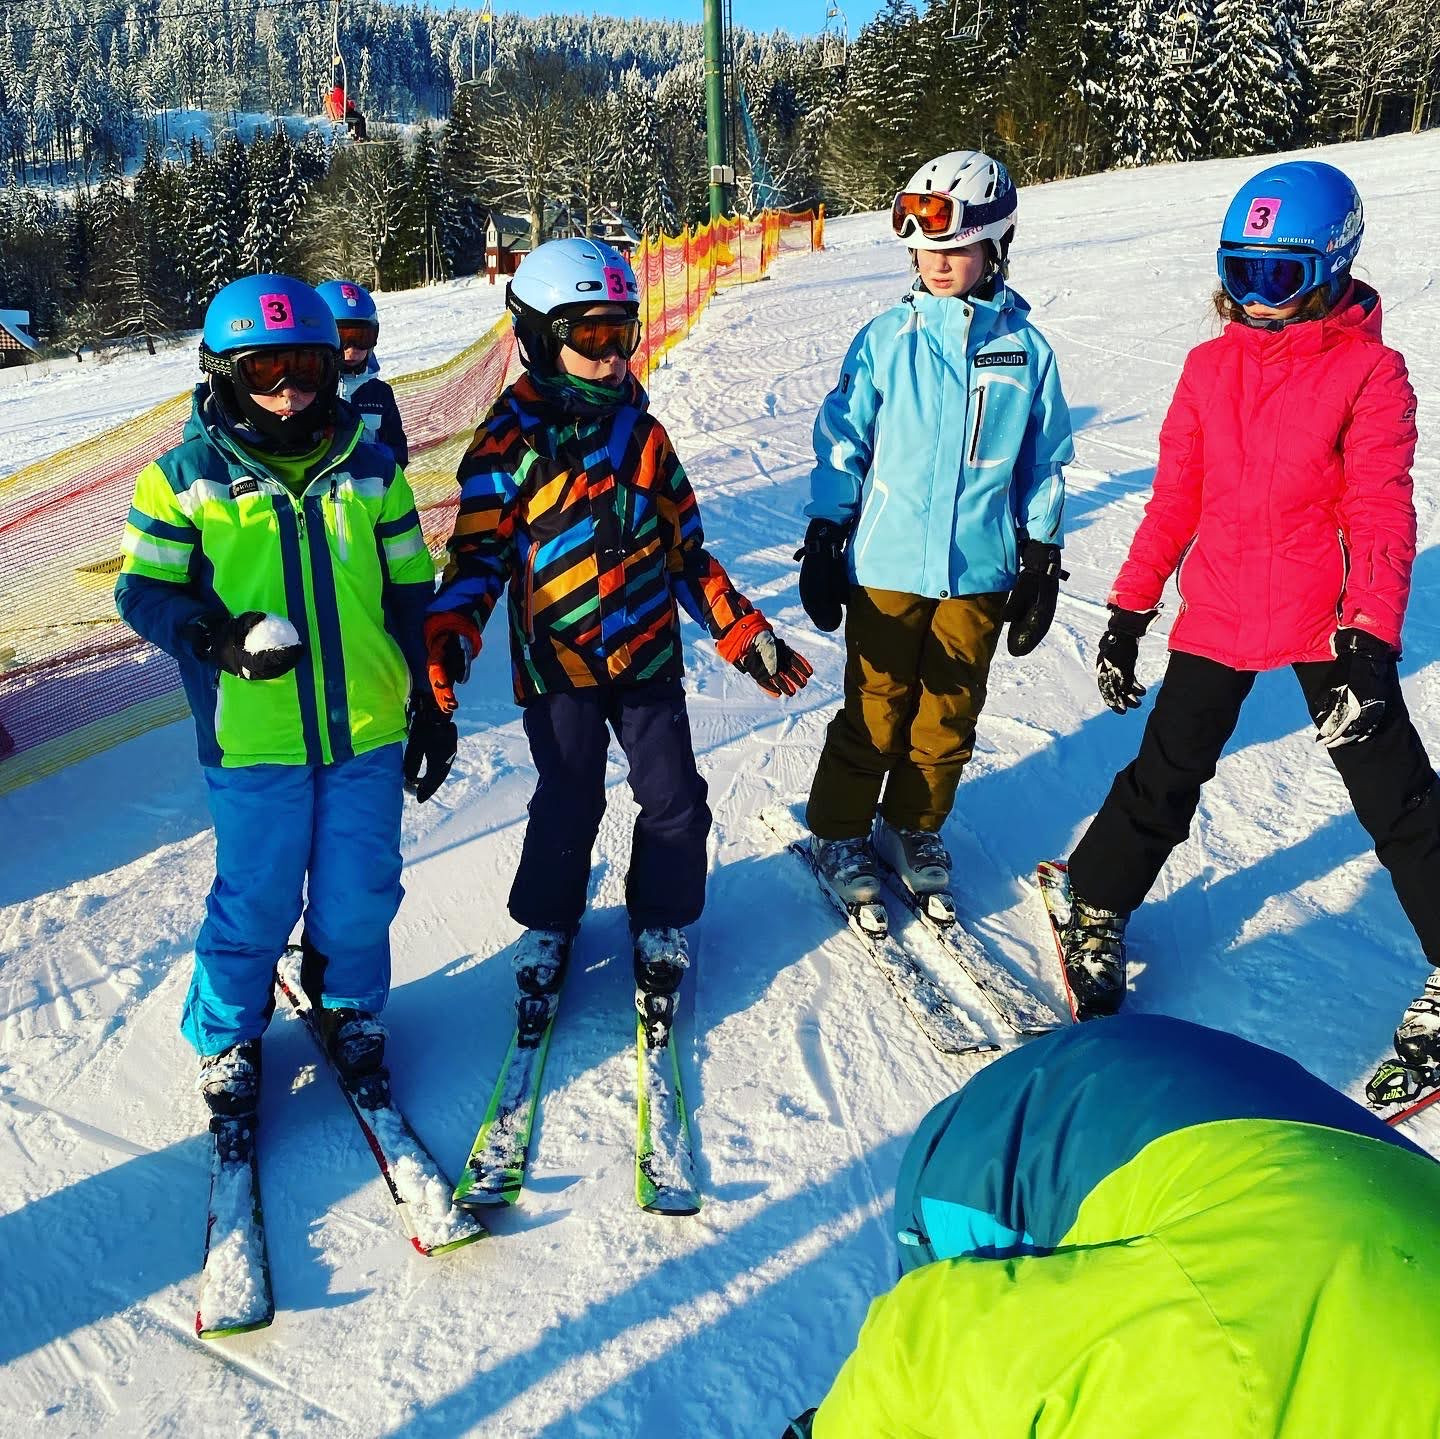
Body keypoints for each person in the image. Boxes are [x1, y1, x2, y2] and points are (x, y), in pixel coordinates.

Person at [1051, 162, 1440, 1086]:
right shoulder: (1208, 368)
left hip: (1327, 620)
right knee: (1167, 771)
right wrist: (1129, 608)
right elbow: (1174, 500)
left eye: (1279, 276)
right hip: (1222, 604)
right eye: (1240, 273)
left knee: (1397, 796)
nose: (1257, 298)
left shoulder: (1370, 372)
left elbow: (1381, 510)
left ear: (1332, 267)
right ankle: (1094, 899)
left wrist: (1370, 637)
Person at [422, 236, 811, 1022]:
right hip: (559, 662)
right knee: (568, 797)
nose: (609, 357)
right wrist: (450, 635)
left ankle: (660, 913)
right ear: (539, 339)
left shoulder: (644, 437)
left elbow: (686, 553)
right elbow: (477, 557)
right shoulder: (508, 445)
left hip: (645, 655)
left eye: (621, 335)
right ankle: (549, 921)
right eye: (589, 337)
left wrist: (743, 631)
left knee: (676, 797)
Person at [114, 273, 452, 1121]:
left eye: (308, 365)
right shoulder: (183, 478)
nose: (290, 388)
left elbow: (411, 591)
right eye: (265, 370)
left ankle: (347, 1004)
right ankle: (227, 1031)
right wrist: (212, 636)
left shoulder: (371, 468)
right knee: (258, 892)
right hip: (252, 734)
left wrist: (432, 700)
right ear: (224, 374)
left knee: (360, 884)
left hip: (366, 723)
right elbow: (142, 589)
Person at [784, 1014, 1440, 1436]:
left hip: (1273, 1129)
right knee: (974, 1376)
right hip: (1021, 1146)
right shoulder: (1219, 1383)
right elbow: (926, 1352)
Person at [796, 150, 1073, 921]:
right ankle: (839, 831)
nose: (938, 262)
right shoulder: (887, 339)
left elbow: (1044, 460)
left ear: (997, 246)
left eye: (956, 247)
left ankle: (911, 824)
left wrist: (1042, 554)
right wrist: (826, 529)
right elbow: (842, 438)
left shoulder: (1027, 352)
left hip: (979, 569)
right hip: (887, 564)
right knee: (876, 706)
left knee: (949, 709)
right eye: (924, 248)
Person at [316, 279, 408, 466]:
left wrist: (380, 458)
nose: (352, 350)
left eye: (362, 338)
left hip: (369, 481)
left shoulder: (379, 393)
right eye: (342, 339)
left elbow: (399, 451)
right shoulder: (308, 392)